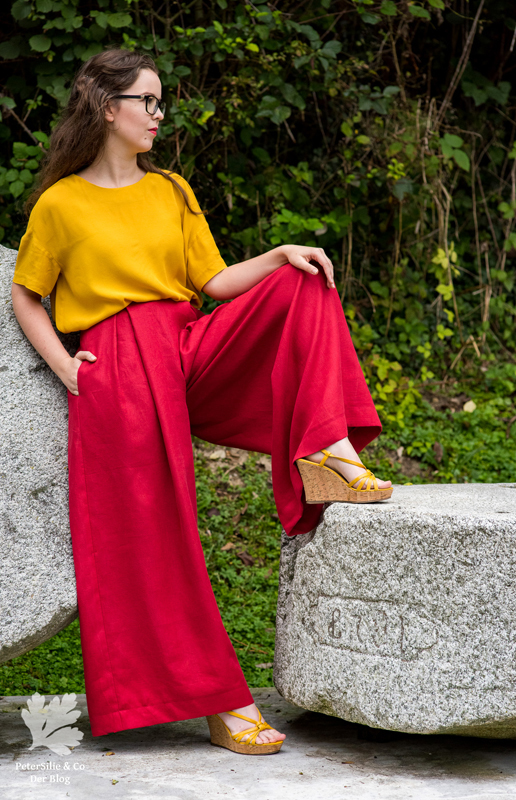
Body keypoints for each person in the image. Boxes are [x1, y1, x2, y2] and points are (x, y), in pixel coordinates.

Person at [10, 48, 393, 756]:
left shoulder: (171, 190)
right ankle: (220, 699)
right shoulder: (61, 203)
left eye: (161, 102)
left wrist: (279, 255)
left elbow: (213, 284)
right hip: (119, 366)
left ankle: (327, 450)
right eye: (148, 101)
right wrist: (65, 367)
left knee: (303, 283)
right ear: (108, 108)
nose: (159, 114)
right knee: (154, 536)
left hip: (184, 344)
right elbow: (26, 294)